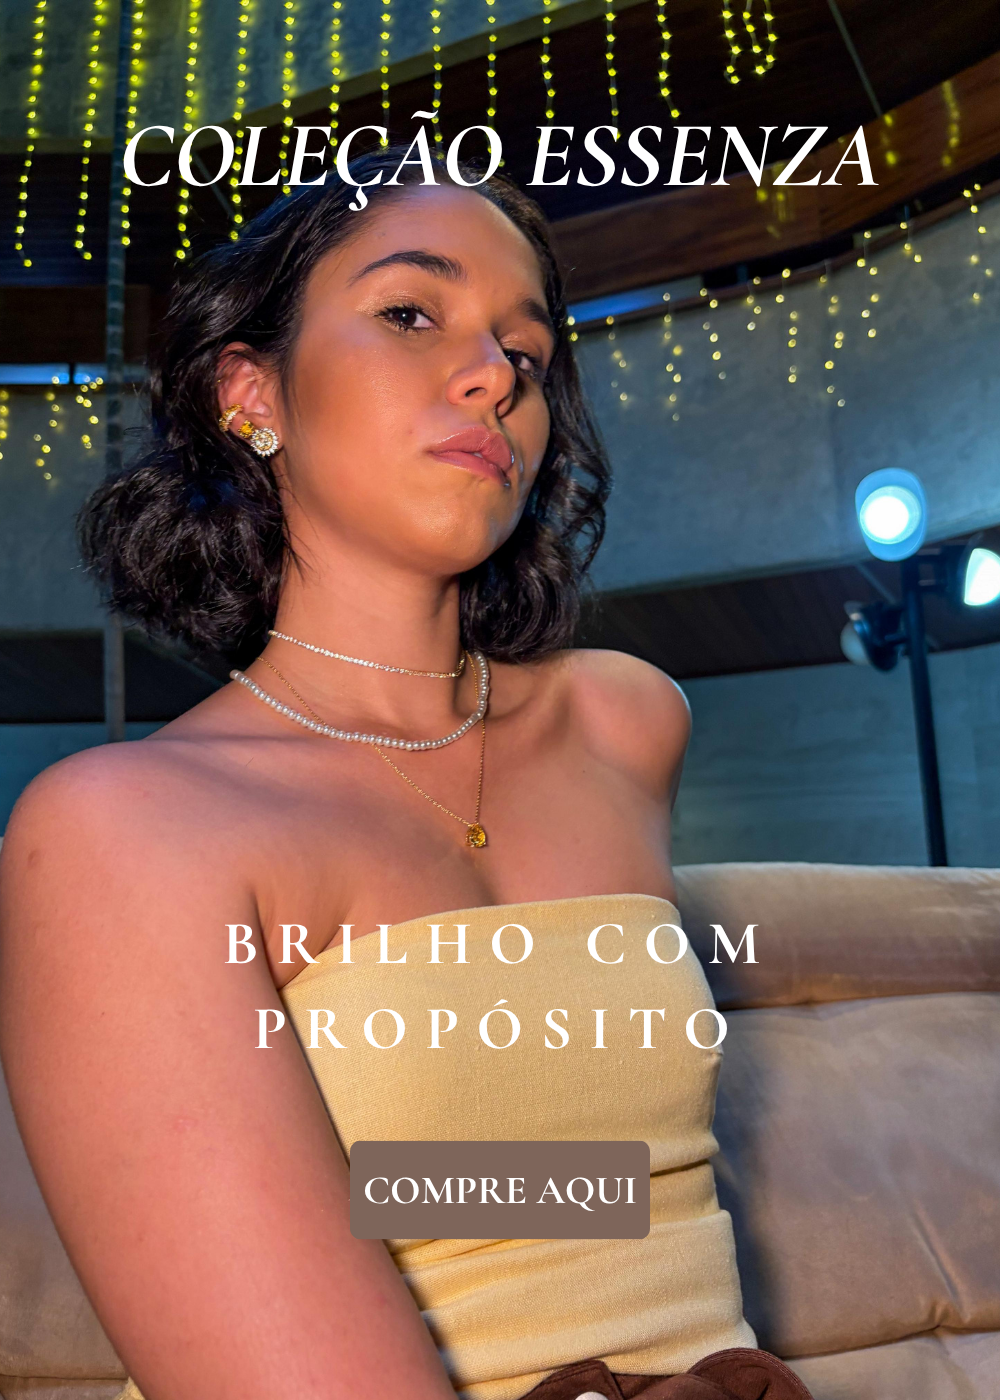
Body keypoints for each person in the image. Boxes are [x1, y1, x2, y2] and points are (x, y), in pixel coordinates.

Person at [0, 148, 810, 1400]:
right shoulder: (123, 828)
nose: (495, 376)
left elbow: (614, 1175)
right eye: (409, 313)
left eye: (525, 351)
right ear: (250, 393)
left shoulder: (624, 720)